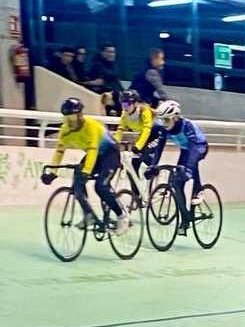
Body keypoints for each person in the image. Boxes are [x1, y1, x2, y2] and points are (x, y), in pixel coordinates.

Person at [40, 98, 129, 235]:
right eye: (67, 119)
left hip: (110, 154)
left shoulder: (91, 126)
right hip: (95, 155)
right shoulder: (65, 130)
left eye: (73, 118)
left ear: (80, 115)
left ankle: (122, 216)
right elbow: (59, 151)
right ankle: (88, 215)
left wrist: (87, 171)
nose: (71, 122)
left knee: (100, 186)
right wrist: (52, 172)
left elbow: (93, 149)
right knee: (77, 180)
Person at [144, 100, 208, 235]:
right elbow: (159, 147)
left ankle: (199, 190)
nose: (164, 124)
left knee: (189, 168)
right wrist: (153, 165)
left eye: (166, 120)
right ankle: (185, 218)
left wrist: (189, 169)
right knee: (176, 183)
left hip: (199, 147)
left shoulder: (187, 126)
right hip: (186, 150)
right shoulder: (164, 127)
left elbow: (194, 150)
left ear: (176, 117)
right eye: (161, 121)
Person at [113, 90, 158, 198]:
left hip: (156, 135)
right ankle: (137, 195)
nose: (125, 107)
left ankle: (154, 173)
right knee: (133, 164)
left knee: (146, 157)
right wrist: (114, 143)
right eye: (123, 104)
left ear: (135, 103)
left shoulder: (144, 110)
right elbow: (120, 129)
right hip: (144, 136)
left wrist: (138, 146)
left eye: (127, 104)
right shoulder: (125, 113)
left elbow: (147, 129)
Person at [82, 44, 123, 116]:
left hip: (117, 96)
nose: (112, 54)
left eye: (113, 52)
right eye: (109, 52)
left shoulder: (114, 65)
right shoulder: (96, 65)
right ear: (102, 53)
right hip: (104, 97)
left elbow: (116, 81)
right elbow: (98, 81)